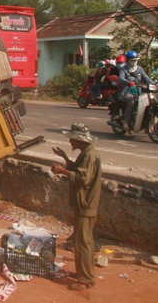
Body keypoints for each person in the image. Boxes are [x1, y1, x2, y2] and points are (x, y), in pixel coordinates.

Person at [51, 123, 102, 291]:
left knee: (83, 243)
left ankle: (86, 280)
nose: (71, 142)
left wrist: (62, 171)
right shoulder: (86, 154)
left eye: (72, 139)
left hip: (86, 205)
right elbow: (80, 171)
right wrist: (66, 159)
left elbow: (82, 178)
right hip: (84, 205)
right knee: (82, 241)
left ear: (79, 140)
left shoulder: (89, 156)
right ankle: (84, 274)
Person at [117, 51, 155, 131]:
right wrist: (128, 82)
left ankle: (151, 125)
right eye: (132, 60)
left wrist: (156, 84)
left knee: (151, 102)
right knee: (132, 102)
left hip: (140, 92)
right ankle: (126, 122)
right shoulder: (123, 69)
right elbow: (121, 78)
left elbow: (146, 79)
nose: (134, 62)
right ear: (128, 61)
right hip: (127, 92)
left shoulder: (139, 69)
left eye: (136, 60)